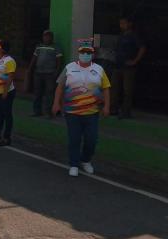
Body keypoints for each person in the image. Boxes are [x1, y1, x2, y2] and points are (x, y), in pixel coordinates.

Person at [52, 38, 111, 177]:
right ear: (79, 53)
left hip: (92, 112)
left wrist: (107, 106)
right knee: (74, 139)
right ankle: (73, 164)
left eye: (88, 52)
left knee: (91, 140)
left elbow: (106, 88)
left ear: (92, 54)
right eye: (83, 52)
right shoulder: (70, 67)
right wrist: (56, 103)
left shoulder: (99, 69)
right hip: (72, 112)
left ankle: (85, 160)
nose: (85, 55)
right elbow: (60, 87)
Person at [112, 16, 146, 119]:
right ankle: (114, 109)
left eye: (123, 23)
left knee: (127, 90)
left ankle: (126, 111)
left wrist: (135, 61)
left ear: (129, 24)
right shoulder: (121, 36)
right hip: (117, 65)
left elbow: (142, 48)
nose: (121, 25)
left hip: (128, 67)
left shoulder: (134, 36)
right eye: (120, 23)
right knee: (114, 88)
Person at [29, 30, 63, 117]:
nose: (46, 38)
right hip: (38, 72)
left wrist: (57, 71)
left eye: (48, 36)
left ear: (52, 38)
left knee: (49, 93)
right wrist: (30, 69)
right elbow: (34, 58)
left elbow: (59, 60)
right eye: (45, 36)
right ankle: (37, 111)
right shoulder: (39, 46)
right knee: (37, 92)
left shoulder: (56, 47)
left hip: (50, 73)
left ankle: (48, 112)